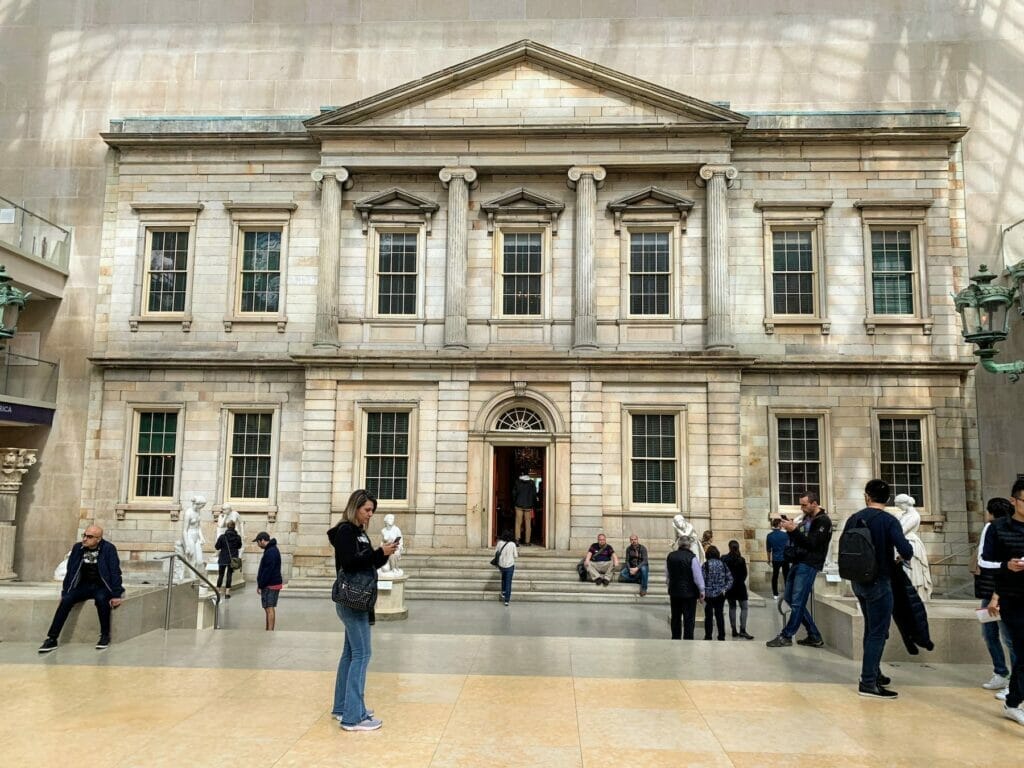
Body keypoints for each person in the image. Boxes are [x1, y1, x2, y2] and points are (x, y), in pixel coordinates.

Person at [327, 489, 399, 732]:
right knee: (362, 654)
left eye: (372, 511)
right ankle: (353, 717)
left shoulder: (358, 532)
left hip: (356, 600)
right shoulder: (346, 531)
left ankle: (343, 706)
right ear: (355, 507)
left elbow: (368, 562)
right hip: (352, 601)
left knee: (350, 654)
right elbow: (350, 563)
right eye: (367, 510)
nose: (370, 515)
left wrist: (384, 554)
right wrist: (378, 553)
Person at [843, 479, 914, 699]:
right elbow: (905, 549)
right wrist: (902, 555)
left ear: (867, 496)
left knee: (871, 628)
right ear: (888, 499)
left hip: (858, 581)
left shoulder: (854, 518)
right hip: (880, 580)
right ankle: (868, 682)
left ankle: (874, 672)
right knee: (878, 632)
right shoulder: (888, 520)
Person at [38, 525, 125, 653]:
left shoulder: (108, 549)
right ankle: (52, 639)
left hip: (101, 585)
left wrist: (116, 594)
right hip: (83, 585)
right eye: (84, 535)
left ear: (98, 539)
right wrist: (65, 592)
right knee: (66, 600)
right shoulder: (78, 548)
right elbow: (71, 572)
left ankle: (105, 636)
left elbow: (115, 572)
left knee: (101, 600)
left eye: (89, 537)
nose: (85, 539)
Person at [766, 490, 833, 648]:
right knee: (790, 599)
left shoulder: (823, 521)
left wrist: (793, 530)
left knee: (797, 602)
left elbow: (811, 543)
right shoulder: (806, 519)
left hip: (809, 563)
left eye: (804, 505)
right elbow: (801, 540)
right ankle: (814, 635)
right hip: (797, 560)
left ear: (814, 504)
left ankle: (787, 635)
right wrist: (793, 528)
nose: (801, 508)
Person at [983, 478, 1024, 727]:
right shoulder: (997, 528)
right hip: (1014, 598)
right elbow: (985, 562)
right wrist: (1006, 566)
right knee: (1021, 650)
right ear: (1014, 500)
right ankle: (1013, 702)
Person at [976, 497, 1016, 698]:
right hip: (991, 590)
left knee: (1009, 638)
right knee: (989, 633)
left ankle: (1014, 683)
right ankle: (1001, 672)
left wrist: (995, 595)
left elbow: (984, 561)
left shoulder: (991, 528)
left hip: (1000, 591)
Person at [894, 494, 932, 602]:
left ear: (905, 504)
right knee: (903, 571)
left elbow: (902, 530)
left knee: (911, 572)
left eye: (899, 505)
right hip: (901, 544)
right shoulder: (902, 515)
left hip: (911, 544)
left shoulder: (914, 516)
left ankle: (913, 596)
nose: (898, 508)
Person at [666, 538, 705, 640]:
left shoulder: (670, 556)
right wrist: (702, 590)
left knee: (676, 617)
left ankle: (675, 637)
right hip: (690, 593)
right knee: (689, 618)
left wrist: (670, 585)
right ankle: (688, 638)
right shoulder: (692, 558)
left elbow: (667, 574)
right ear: (689, 546)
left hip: (674, 592)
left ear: (678, 544)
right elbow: (697, 577)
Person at [722, 539, 753, 639]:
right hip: (740, 586)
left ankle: (734, 630)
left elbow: (722, 573)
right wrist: (740, 581)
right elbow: (745, 574)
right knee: (744, 608)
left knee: (732, 607)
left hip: (729, 587)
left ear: (729, 547)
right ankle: (743, 630)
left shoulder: (724, 558)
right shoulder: (741, 559)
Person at [702, 545, 733, 641]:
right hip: (720, 594)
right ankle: (721, 636)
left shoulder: (705, 565)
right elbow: (730, 579)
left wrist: (701, 592)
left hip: (708, 595)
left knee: (708, 616)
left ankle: (708, 636)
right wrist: (725, 589)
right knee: (719, 615)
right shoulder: (723, 564)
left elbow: (702, 580)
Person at [254, 531, 283, 631]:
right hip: (273, 583)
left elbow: (267, 571)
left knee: (269, 608)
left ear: (262, 540)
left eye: (258, 542)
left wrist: (261, 584)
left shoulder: (270, 551)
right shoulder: (271, 549)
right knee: (268, 608)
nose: (258, 545)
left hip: (270, 584)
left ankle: (270, 630)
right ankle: (268, 629)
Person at [214, 519, 242, 598]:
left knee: (221, 575)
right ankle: (227, 593)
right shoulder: (237, 537)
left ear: (227, 527)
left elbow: (217, 547)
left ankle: (218, 591)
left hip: (223, 558)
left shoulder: (222, 537)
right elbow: (239, 546)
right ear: (234, 527)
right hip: (232, 560)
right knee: (229, 575)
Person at [180, 494, 207, 570]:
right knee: (192, 560)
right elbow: (184, 530)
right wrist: (187, 545)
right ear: (198, 504)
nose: (203, 507)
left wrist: (201, 537)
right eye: (202, 505)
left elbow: (198, 527)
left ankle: (195, 577)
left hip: (196, 536)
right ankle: (192, 578)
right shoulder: (188, 513)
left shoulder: (198, 511)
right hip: (190, 535)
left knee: (200, 561)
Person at [765, 518, 789, 599]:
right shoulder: (785, 535)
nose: (782, 525)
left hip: (775, 559)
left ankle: (775, 594)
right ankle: (787, 593)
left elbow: (768, 550)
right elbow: (789, 547)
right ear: (778, 525)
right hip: (785, 558)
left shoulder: (769, 536)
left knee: (775, 576)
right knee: (786, 576)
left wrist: (769, 559)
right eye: (781, 523)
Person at [494, 528, 518, 606]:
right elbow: (516, 556)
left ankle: (503, 592)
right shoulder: (512, 544)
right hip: (510, 565)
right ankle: (506, 600)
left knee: (503, 578)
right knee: (508, 582)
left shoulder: (499, 543)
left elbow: (496, 552)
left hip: (501, 565)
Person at [513, 471, 538, 545]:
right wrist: (533, 504)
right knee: (528, 524)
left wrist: (515, 502)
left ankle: (517, 540)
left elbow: (514, 493)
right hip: (529, 506)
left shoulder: (517, 482)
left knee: (518, 523)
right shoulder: (531, 483)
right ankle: (527, 541)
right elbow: (534, 495)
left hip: (518, 505)